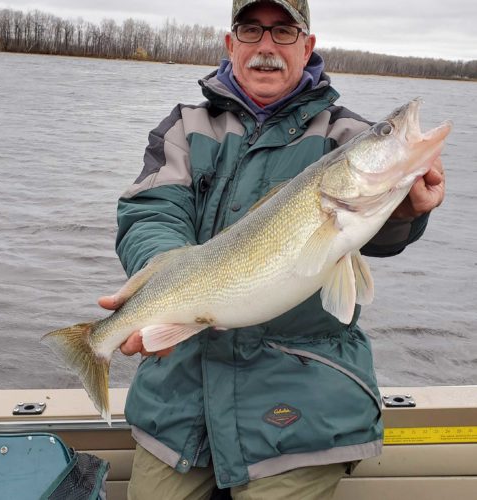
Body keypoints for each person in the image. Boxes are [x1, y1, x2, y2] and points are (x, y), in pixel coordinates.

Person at [99, 0, 445, 498]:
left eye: (283, 32)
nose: (266, 47)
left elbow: (382, 231)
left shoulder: (343, 135)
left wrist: (407, 213)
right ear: (230, 44)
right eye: (251, 30)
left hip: (303, 399)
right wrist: (162, 285)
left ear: (307, 47)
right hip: (178, 401)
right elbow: (151, 214)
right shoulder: (184, 126)